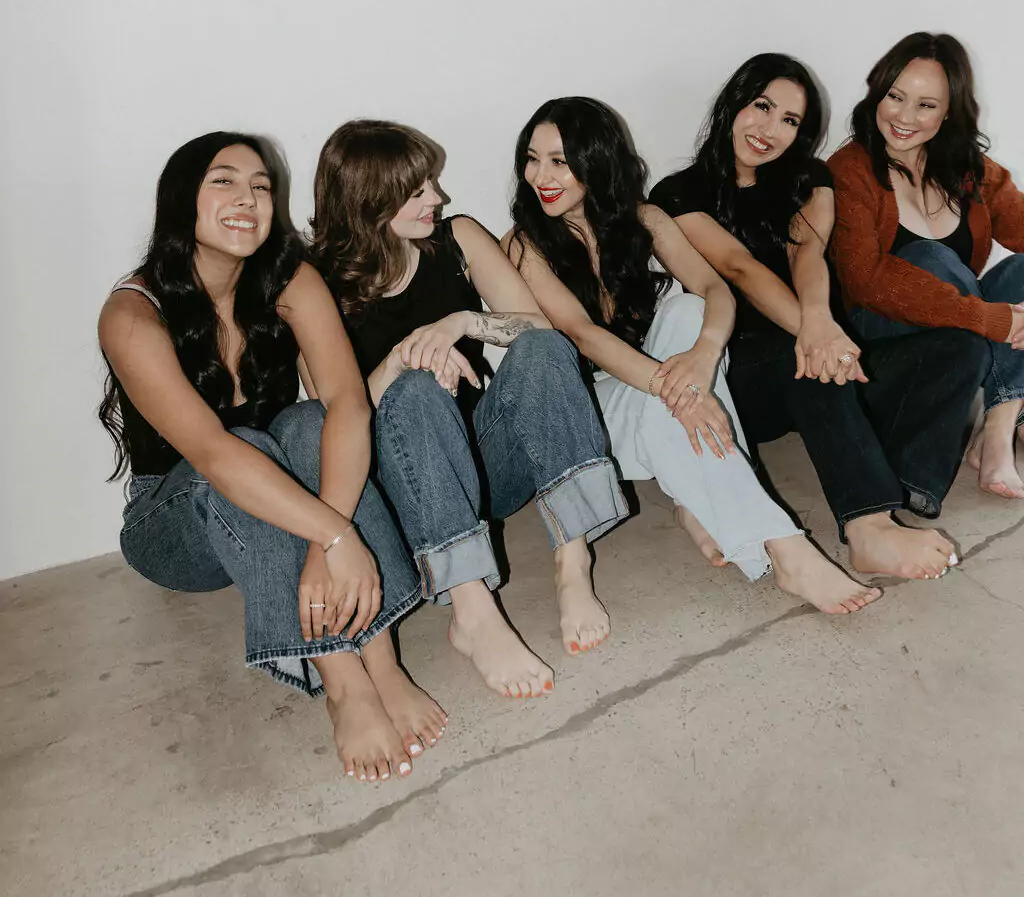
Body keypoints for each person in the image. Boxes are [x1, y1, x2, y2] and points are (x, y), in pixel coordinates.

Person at [98, 132, 445, 785]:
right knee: (247, 447)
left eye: (261, 186)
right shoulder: (132, 313)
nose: (248, 199)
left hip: (281, 505)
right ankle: (343, 682)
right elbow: (214, 453)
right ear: (181, 200)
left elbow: (349, 404)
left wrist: (322, 541)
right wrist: (337, 535)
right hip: (176, 525)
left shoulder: (291, 279)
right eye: (223, 182)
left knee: (310, 421)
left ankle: (384, 664)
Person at [504, 96, 881, 614]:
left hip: (660, 403)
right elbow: (582, 334)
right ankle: (785, 548)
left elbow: (716, 288)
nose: (540, 176)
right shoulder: (525, 244)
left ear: (597, 163)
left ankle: (699, 502)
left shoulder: (646, 219)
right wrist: (680, 388)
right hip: (596, 420)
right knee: (677, 389)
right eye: (532, 158)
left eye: (558, 161)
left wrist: (702, 359)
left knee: (687, 311)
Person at [309, 120, 628, 699]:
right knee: (415, 390)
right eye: (417, 191)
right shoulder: (315, 287)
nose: (438, 197)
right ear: (368, 201)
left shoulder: (458, 239)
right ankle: (472, 611)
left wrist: (461, 323)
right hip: (409, 495)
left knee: (541, 349)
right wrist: (404, 360)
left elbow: (543, 329)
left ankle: (573, 560)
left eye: (431, 183)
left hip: (488, 467)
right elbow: (331, 417)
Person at [649, 53, 973, 581]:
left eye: (789, 120)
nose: (769, 130)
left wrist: (821, 324)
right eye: (762, 107)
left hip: (818, 355)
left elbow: (807, 252)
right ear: (734, 104)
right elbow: (740, 268)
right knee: (796, 352)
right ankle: (868, 526)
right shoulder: (676, 194)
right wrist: (812, 334)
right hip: (742, 381)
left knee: (959, 347)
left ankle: (907, 481)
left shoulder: (809, 178)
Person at [829, 32, 1023, 499]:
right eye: (895, 97)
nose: (903, 117)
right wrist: (990, 318)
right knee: (932, 258)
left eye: (925, 105)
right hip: (877, 332)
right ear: (877, 92)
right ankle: (1001, 426)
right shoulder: (849, 170)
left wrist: (990, 317)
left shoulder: (970, 168)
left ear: (949, 111)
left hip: (956, 329)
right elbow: (866, 279)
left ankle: (997, 430)